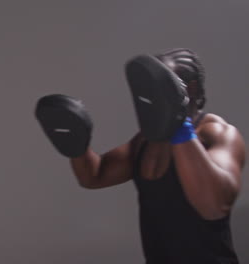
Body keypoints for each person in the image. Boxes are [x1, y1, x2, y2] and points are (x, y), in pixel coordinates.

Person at [36, 48, 246, 263]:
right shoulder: (146, 141)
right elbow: (94, 176)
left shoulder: (218, 133)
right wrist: (77, 147)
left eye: (163, 88)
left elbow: (214, 206)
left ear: (189, 88)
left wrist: (180, 125)